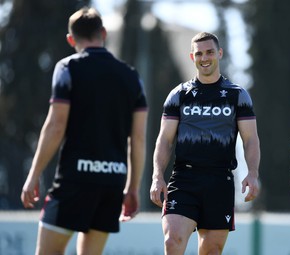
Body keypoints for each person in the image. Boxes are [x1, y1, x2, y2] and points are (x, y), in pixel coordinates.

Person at [20, 7, 148, 255]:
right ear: (104, 33)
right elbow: (139, 138)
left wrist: (34, 174)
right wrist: (132, 188)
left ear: (71, 39)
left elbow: (56, 125)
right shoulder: (132, 77)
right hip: (112, 181)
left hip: (75, 180)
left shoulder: (67, 68)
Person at [150, 32, 260, 255]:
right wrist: (157, 176)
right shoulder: (178, 95)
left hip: (219, 180)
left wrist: (253, 173)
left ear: (219, 53)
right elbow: (164, 139)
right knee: (172, 241)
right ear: (192, 57)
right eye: (199, 53)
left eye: (209, 52)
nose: (204, 57)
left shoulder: (237, 95)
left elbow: (250, 139)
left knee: (211, 250)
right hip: (184, 179)